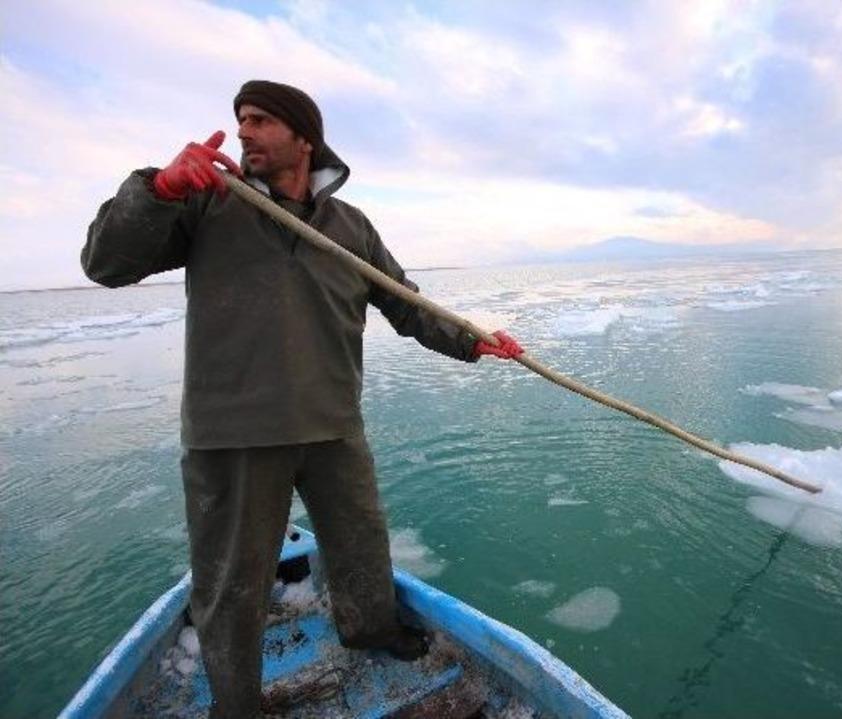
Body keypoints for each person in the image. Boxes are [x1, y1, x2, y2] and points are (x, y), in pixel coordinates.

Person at [82, 79, 524, 718]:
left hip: (332, 422)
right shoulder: (207, 205)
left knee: (360, 543)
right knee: (232, 584)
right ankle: (235, 704)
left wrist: (473, 341)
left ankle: (371, 629)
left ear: (304, 137)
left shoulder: (350, 226)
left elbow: (404, 302)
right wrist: (157, 191)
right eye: (240, 120)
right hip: (233, 433)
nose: (243, 132)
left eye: (260, 120)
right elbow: (105, 262)